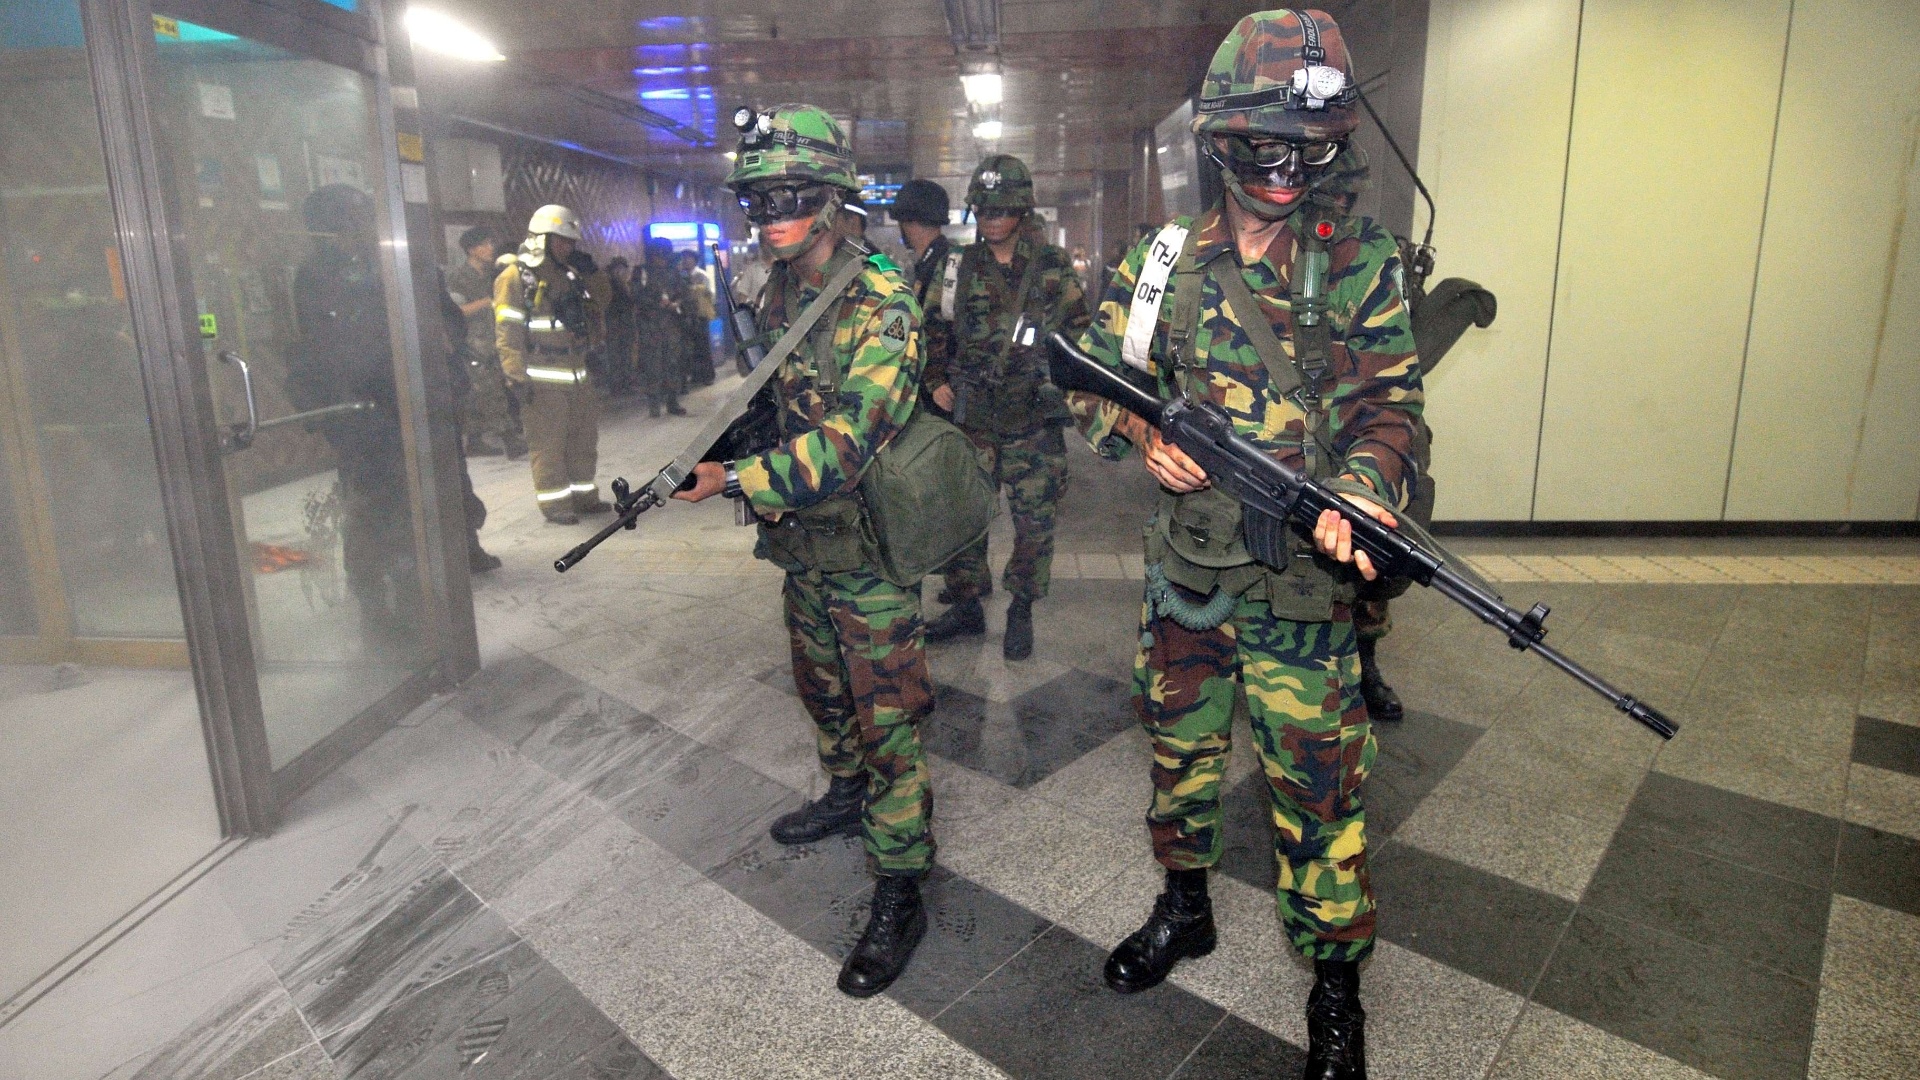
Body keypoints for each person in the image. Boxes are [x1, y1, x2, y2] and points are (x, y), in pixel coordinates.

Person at [1068, 11, 1422, 1079]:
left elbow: (1390, 411)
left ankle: (1335, 989)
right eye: (1261, 148)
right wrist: (1139, 429)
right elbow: (1091, 368)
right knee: (1178, 760)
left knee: (1319, 795)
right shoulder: (1163, 256)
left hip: (1304, 593)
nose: (1282, 172)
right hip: (1186, 578)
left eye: (1306, 152)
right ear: (1220, 139)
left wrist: (1360, 492)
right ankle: (1185, 909)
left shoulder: (1359, 262)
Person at [673, 103, 936, 999]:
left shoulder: (882, 301)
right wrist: (719, 447)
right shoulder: (778, 290)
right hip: (806, 547)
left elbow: (847, 441)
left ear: (832, 199)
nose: (771, 214)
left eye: (789, 195)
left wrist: (734, 480)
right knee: (822, 689)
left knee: (888, 721)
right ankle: (842, 793)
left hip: (868, 548)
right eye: (758, 199)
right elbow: (774, 404)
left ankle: (901, 885)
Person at [921, 154, 1091, 661]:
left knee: (1035, 523)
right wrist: (935, 381)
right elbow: (930, 326)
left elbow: (1080, 333)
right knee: (965, 517)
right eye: (985, 208)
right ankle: (968, 603)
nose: (993, 217)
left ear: (1022, 211)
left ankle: (1022, 606)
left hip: (1032, 419)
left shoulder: (1052, 267)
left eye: (1003, 208)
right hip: (973, 417)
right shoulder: (955, 267)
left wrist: (1067, 388)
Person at [287, 184, 423, 652]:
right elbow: (333, 350)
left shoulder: (359, 267)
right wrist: (345, 417)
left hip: (384, 407)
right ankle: (374, 602)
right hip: (358, 414)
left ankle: (403, 592)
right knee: (369, 508)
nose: (365, 229)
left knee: (397, 504)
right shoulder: (322, 274)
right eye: (358, 220)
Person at [493, 204, 608, 525]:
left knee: (583, 439)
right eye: (560, 241)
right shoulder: (515, 276)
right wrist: (514, 375)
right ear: (540, 238)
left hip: (577, 375)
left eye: (570, 242)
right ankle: (556, 504)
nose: (567, 248)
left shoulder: (571, 274)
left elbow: (601, 303)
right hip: (541, 379)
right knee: (548, 444)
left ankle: (584, 496)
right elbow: (507, 330)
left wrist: (594, 273)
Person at [435, 269, 500, 573]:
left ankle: (468, 549)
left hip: (438, 396)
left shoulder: (425, 276)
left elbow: (453, 324)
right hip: (386, 405)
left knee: (454, 477)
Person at [445, 227, 525, 459]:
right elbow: (456, 310)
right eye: (485, 244)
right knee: (491, 389)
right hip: (474, 342)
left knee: (485, 391)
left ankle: (476, 440)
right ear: (471, 250)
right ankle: (509, 438)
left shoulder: (494, 274)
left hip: (496, 337)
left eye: (491, 243)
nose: (491, 248)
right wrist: (488, 302)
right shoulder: (458, 278)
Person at [891, 178, 957, 418]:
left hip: (941, 391)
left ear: (908, 222)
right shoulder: (934, 262)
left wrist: (935, 379)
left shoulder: (941, 264)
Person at [632, 237, 689, 418]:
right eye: (659, 254)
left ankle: (672, 401)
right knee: (653, 365)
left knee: (672, 363)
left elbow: (683, 293)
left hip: (670, 324)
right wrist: (658, 303)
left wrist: (676, 303)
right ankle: (654, 404)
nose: (662, 258)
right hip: (650, 325)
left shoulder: (672, 272)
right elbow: (636, 295)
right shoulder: (641, 272)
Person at [677, 249, 717, 387]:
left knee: (703, 346)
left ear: (694, 260)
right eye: (684, 258)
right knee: (691, 347)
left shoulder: (701, 275)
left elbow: (710, 294)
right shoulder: (680, 276)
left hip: (700, 315)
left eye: (688, 258)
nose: (686, 261)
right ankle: (696, 374)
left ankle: (708, 375)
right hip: (686, 315)